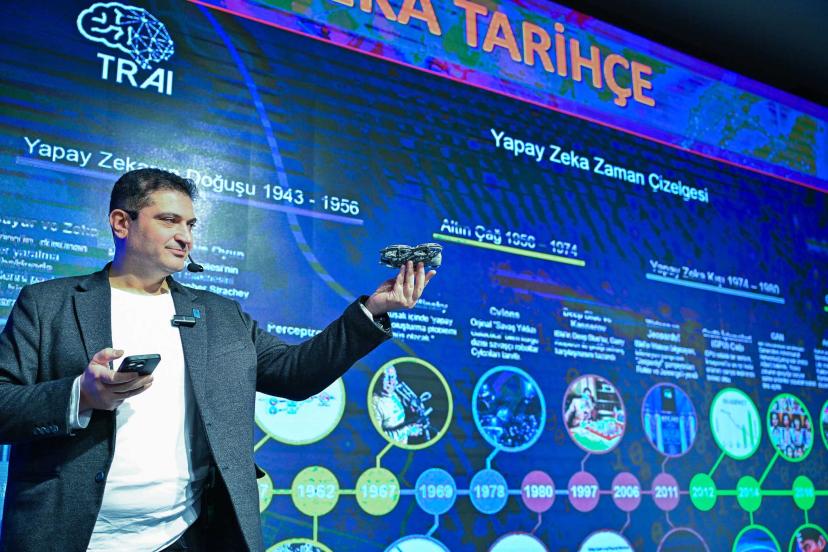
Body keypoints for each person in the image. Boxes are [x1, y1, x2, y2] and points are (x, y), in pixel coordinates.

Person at [0, 168, 436, 551]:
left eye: (190, 224)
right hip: (72, 537)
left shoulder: (220, 315)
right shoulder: (47, 304)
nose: (185, 237)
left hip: (185, 537)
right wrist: (81, 395)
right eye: (169, 220)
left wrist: (372, 311)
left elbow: (296, 374)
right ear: (121, 222)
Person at [370, 365, 423, 444]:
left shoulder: (393, 394)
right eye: (387, 377)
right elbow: (377, 438)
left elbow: (397, 416)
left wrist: (411, 411)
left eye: (393, 377)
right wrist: (407, 431)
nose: (391, 382)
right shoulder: (374, 405)